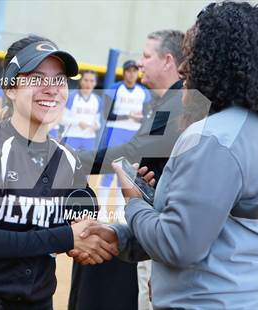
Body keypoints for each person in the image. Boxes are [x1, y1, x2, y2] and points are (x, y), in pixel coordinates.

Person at [74, 2, 258, 309]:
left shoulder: (216, 136)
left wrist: (134, 202)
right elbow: (210, 227)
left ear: (219, 61)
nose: (185, 67)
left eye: (196, 54)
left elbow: (178, 244)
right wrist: (124, 234)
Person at [0, 35, 118, 310]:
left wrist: (96, 237)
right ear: (11, 89)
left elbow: (79, 225)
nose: (52, 89)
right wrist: (67, 237)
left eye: (59, 79)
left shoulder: (67, 161)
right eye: (36, 78)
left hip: (36, 302)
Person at [70, 30, 185, 310]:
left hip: (159, 228)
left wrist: (72, 159)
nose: (141, 62)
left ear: (168, 60)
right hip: (152, 221)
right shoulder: (167, 101)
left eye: (147, 56)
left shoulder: (176, 102)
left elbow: (134, 152)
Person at [98, 60, 152, 223]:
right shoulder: (115, 88)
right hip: (115, 133)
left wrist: (142, 119)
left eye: (134, 71)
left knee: (129, 173)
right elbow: (106, 114)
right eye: (128, 71)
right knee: (108, 171)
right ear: (124, 72)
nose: (131, 74)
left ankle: (123, 212)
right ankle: (101, 208)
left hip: (133, 135)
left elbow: (147, 115)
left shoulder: (143, 92)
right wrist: (127, 116)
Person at [61, 70, 102, 151]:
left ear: (95, 83)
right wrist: (78, 123)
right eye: (86, 80)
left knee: (86, 163)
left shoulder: (98, 100)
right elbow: (61, 119)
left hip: (89, 139)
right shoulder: (71, 97)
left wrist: (96, 126)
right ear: (81, 81)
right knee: (66, 162)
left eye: (92, 81)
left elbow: (97, 121)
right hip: (71, 136)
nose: (88, 83)